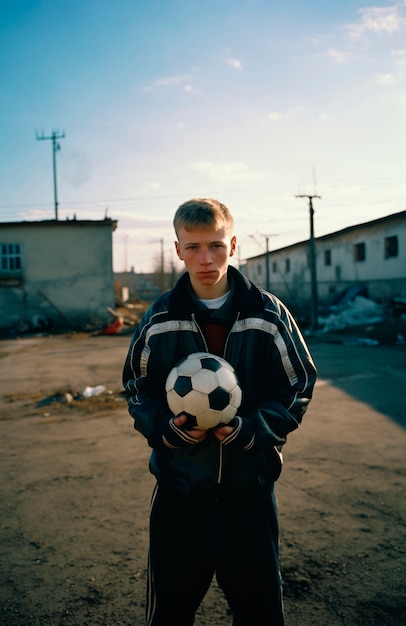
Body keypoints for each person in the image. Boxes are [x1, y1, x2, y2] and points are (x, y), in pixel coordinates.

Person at [123, 198, 317, 626]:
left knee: (260, 613)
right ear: (178, 250)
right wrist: (166, 431)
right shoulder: (159, 319)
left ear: (233, 244)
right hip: (180, 493)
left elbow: (298, 384)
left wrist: (252, 430)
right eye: (192, 247)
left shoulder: (267, 315)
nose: (205, 259)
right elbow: (138, 389)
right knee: (170, 613)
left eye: (215, 245)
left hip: (249, 493)